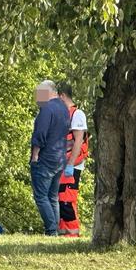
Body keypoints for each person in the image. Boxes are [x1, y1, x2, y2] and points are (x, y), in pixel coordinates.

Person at [30, 80, 70, 236]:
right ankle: (55, 230)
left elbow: (40, 133)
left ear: (48, 92)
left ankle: (51, 230)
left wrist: (35, 155)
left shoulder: (46, 109)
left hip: (46, 158)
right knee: (53, 196)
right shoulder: (64, 108)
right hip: (60, 158)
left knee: (41, 196)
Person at [57, 83, 89, 237]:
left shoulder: (77, 114)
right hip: (61, 165)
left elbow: (78, 141)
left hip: (72, 165)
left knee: (67, 200)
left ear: (62, 96)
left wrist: (70, 165)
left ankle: (72, 235)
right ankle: (63, 234)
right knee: (60, 199)